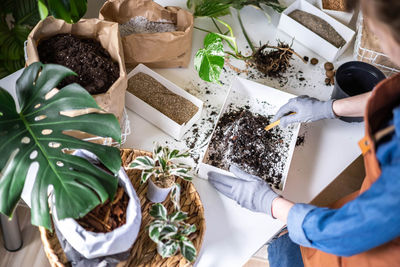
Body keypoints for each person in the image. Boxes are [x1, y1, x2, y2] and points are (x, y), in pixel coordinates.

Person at [207, 0, 400, 266]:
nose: (376, 38)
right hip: (370, 212)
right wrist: (330, 108)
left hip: (372, 250)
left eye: (376, 31)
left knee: (283, 249)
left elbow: (346, 233)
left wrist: (270, 204)